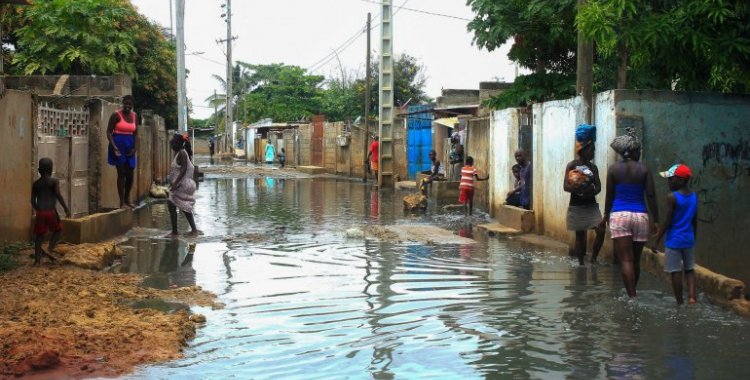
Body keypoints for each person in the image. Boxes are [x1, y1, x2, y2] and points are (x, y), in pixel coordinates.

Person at [601, 129, 659, 298]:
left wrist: (605, 215)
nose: (640, 153)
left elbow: (609, 195)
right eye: (639, 151)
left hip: (619, 216)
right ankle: (634, 292)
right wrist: (656, 220)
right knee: (635, 259)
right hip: (640, 216)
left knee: (626, 260)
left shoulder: (613, 169)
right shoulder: (644, 169)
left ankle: (631, 297)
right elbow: (651, 195)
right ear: (634, 151)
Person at [653, 164, 698, 305]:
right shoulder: (694, 197)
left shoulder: (672, 197)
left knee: (675, 271)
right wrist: (693, 237)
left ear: (680, 180)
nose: (669, 182)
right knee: (690, 269)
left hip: (674, 240)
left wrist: (657, 240)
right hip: (688, 239)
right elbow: (695, 221)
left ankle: (679, 302)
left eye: (671, 179)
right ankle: (691, 297)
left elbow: (667, 221)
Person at [564, 124, 605, 265]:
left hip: (591, 205)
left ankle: (593, 258)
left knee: (600, 229)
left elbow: (599, 186)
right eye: (592, 150)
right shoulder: (572, 166)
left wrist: (591, 191)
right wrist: (579, 189)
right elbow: (566, 186)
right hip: (576, 205)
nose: (593, 153)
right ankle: (581, 263)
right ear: (584, 150)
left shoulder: (593, 167)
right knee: (580, 236)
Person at [31, 158, 70, 265]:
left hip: (41, 212)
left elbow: (32, 201)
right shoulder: (54, 182)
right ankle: (49, 249)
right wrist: (66, 208)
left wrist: (38, 209)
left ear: (39, 170)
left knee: (39, 236)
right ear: (51, 169)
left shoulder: (36, 184)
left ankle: (37, 260)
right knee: (58, 231)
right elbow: (58, 195)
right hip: (51, 212)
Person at [107, 95, 138, 209]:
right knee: (121, 173)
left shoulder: (135, 116)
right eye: (125, 103)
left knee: (130, 174)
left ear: (132, 105)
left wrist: (135, 148)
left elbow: (135, 133)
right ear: (122, 103)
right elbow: (109, 132)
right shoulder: (116, 115)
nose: (127, 106)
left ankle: (127, 198)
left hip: (130, 146)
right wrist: (114, 147)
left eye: (129, 104)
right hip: (118, 146)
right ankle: (122, 202)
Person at [166, 133, 200, 238]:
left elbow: (184, 168)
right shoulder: (179, 153)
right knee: (180, 205)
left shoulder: (182, 153)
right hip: (183, 183)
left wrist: (175, 183)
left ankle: (178, 232)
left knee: (178, 205)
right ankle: (184, 230)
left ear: (177, 143)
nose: (171, 145)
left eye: (172, 143)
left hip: (183, 184)